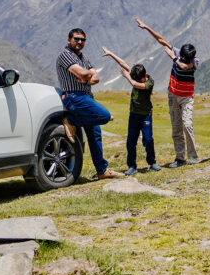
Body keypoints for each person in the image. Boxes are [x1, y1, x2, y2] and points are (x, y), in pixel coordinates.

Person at [56, 28, 123, 180]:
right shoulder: (65, 55)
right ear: (69, 40)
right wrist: (87, 75)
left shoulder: (83, 57)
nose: (79, 42)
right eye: (76, 39)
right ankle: (71, 120)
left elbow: (96, 78)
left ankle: (102, 171)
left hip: (86, 97)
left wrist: (86, 78)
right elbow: (84, 73)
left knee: (95, 135)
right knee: (105, 116)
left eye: (82, 40)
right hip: (74, 97)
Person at [134, 17, 199, 168]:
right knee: (176, 127)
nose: (184, 59)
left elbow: (184, 67)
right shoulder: (179, 53)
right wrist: (146, 27)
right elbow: (161, 40)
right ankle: (180, 158)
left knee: (187, 124)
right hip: (173, 95)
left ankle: (193, 156)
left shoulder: (194, 61)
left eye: (186, 58)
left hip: (186, 97)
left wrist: (174, 58)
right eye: (182, 57)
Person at [101, 46, 160, 176]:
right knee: (131, 141)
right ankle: (132, 166)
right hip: (134, 114)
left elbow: (136, 85)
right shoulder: (137, 75)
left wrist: (127, 76)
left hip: (145, 115)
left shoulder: (149, 82)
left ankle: (152, 162)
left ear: (145, 75)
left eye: (139, 79)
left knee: (148, 139)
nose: (137, 80)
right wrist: (111, 53)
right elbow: (123, 64)